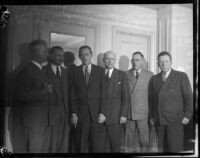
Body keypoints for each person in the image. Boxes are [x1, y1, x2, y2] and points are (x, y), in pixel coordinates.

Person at [148, 51, 193, 152]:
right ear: (157, 64)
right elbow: (151, 101)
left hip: (176, 120)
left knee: (174, 149)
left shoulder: (181, 76)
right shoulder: (154, 79)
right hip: (159, 120)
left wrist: (187, 115)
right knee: (161, 149)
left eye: (166, 61)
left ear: (171, 62)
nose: (163, 64)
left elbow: (189, 97)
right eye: (161, 62)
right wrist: (151, 116)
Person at [17, 40, 53, 153]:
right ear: (37, 51)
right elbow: (20, 96)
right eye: (45, 50)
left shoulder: (40, 69)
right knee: (35, 151)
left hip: (42, 120)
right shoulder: (26, 70)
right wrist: (43, 91)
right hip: (34, 122)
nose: (48, 53)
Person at [70, 45, 108, 152]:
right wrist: (73, 113)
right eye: (82, 55)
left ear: (91, 54)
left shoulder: (100, 71)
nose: (84, 57)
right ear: (79, 57)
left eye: (86, 54)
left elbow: (104, 94)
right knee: (81, 145)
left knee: (96, 146)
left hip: (97, 115)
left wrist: (103, 112)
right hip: (81, 116)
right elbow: (72, 94)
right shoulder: (75, 71)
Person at [124, 52, 153, 152]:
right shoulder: (125, 74)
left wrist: (151, 114)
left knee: (144, 140)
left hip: (143, 113)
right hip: (129, 112)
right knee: (128, 141)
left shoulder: (149, 74)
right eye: (133, 60)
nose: (134, 62)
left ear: (142, 61)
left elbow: (152, 95)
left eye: (137, 60)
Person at [43, 46, 70, 152]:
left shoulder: (66, 72)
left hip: (65, 113)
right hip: (49, 114)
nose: (61, 58)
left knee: (63, 144)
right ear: (51, 56)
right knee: (50, 144)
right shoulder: (43, 70)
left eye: (63, 56)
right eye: (58, 55)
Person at [103, 50, 130, 152]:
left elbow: (126, 97)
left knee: (115, 146)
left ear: (115, 61)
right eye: (107, 59)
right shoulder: (98, 73)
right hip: (100, 117)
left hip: (116, 116)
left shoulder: (121, 75)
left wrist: (123, 115)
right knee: (102, 147)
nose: (110, 61)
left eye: (112, 59)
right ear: (103, 60)